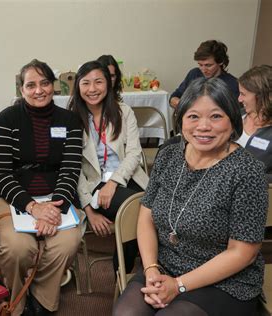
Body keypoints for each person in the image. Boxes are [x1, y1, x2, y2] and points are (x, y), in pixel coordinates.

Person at [113, 77, 268, 316]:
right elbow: (146, 217)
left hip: (224, 280)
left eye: (216, 116)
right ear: (181, 119)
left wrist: (178, 284)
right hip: (165, 265)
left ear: (232, 120)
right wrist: (152, 268)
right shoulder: (168, 157)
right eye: (193, 116)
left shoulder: (247, 172)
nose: (203, 126)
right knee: (126, 314)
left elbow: (242, 253)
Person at [0, 59, 83, 316]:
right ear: (21, 90)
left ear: (54, 86)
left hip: (56, 197)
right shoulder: (7, 118)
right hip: (10, 196)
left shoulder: (70, 120)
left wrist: (54, 207)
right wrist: (32, 207)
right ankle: (17, 303)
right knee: (18, 248)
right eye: (31, 85)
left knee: (67, 241)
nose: (38, 90)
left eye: (44, 83)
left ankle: (42, 299)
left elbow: (71, 168)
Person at [68, 60, 148, 272]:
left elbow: (134, 153)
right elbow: (71, 169)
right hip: (94, 185)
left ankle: (124, 278)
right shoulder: (71, 119)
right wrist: (89, 212)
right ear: (77, 86)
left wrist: (113, 182)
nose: (92, 89)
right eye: (85, 83)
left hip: (125, 177)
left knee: (153, 210)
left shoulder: (124, 111)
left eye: (98, 82)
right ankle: (125, 276)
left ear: (109, 84)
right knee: (136, 211)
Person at [170, 40, 239, 110]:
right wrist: (180, 104)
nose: (203, 70)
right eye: (200, 65)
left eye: (208, 65)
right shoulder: (194, 74)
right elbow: (174, 97)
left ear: (220, 62)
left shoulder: (233, 84)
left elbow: (233, 113)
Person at [237, 65, 272, 182]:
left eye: (243, 94)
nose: (239, 99)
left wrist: (244, 177)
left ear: (261, 96)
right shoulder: (235, 116)